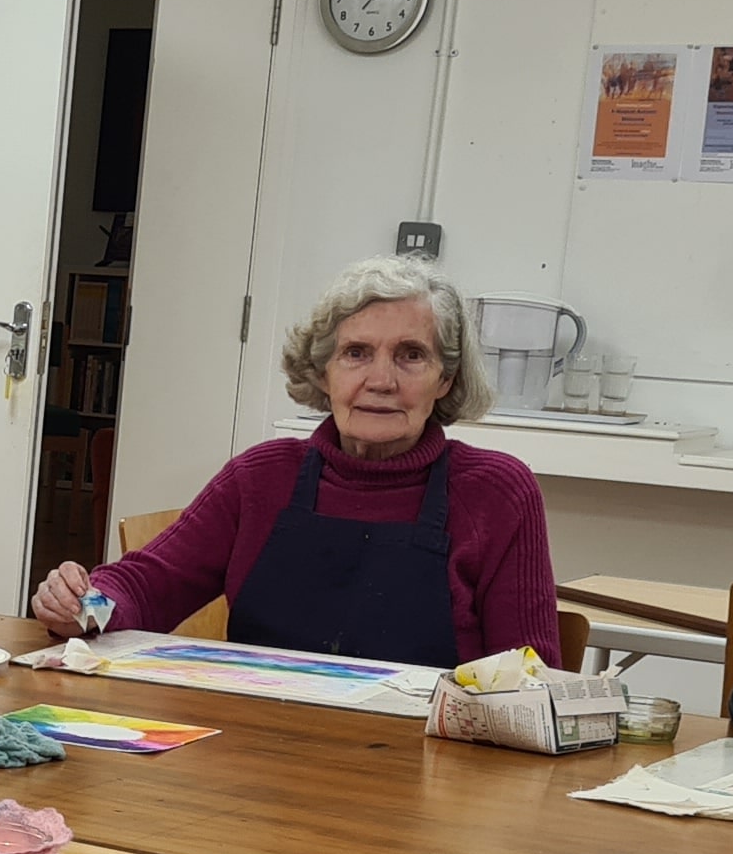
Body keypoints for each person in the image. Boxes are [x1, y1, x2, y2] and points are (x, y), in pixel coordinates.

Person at [31, 256, 558, 668]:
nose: (380, 380)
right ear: (323, 371)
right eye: (355, 353)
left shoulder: (496, 492)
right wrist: (82, 608)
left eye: (410, 355)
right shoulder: (262, 476)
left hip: (427, 772)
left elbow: (531, 676)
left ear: (445, 379)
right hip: (256, 758)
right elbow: (147, 585)